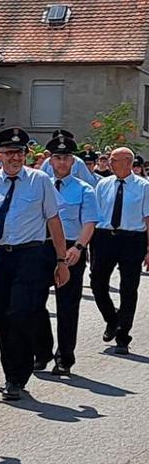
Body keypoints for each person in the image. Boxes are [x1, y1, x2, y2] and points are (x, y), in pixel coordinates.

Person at [0, 127, 70, 402]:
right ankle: (11, 372)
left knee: (20, 312)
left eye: (20, 152)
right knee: (3, 315)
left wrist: (62, 260)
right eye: (9, 153)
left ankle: (18, 375)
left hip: (30, 256)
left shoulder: (40, 181)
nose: (15, 158)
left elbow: (54, 221)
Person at [42, 135, 98, 375]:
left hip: (70, 248)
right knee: (32, 303)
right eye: (57, 157)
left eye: (66, 158)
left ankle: (64, 356)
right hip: (40, 247)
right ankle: (41, 349)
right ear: (50, 160)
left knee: (67, 306)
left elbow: (89, 222)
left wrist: (79, 248)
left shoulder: (84, 189)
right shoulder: (39, 185)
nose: (61, 162)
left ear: (73, 161)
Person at [89, 147, 149, 356]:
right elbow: (94, 216)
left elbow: (148, 219)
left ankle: (123, 335)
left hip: (132, 238)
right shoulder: (103, 185)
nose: (109, 163)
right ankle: (112, 319)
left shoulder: (144, 187)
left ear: (128, 162)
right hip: (104, 237)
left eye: (114, 160)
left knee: (128, 287)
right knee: (97, 282)